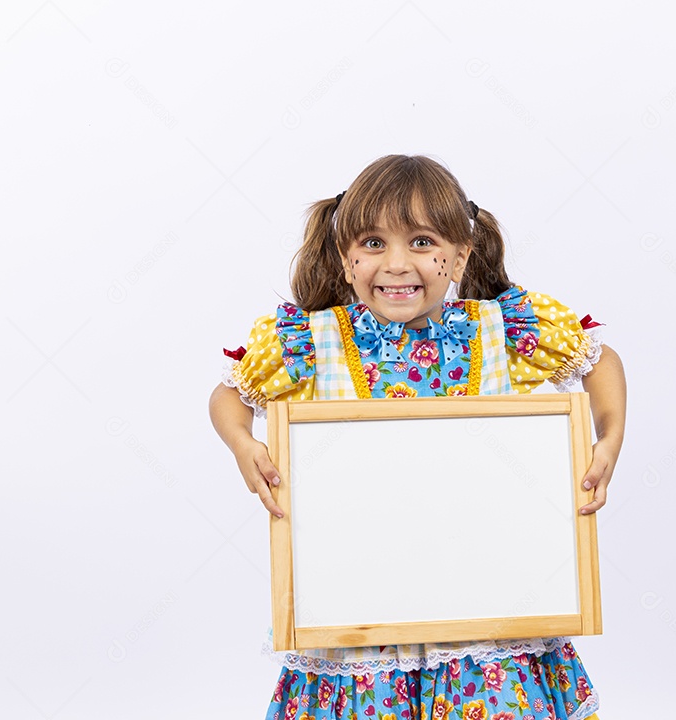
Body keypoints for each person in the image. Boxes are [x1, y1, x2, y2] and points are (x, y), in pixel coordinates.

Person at [209, 154, 627, 719]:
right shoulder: (314, 342)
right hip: (359, 620)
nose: (397, 263)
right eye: (374, 243)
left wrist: (607, 439)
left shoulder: (501, 334)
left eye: (423, 242)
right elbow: (229, 396)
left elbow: (598, 361)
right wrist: (244, 445)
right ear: (346, 257)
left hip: (487, 627)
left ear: (459, 256)